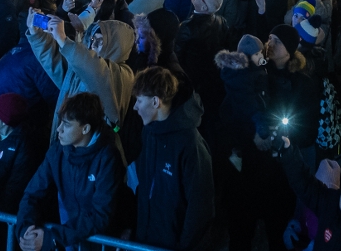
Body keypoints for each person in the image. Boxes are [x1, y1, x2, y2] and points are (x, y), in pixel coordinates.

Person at [16, 91, 125, 251]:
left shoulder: (108, 157)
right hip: (69, 239)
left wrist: (53, 238)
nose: (58, 129)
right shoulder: (57, 151)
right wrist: (25, 229)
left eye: (66, 124)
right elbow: (33, 194)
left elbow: (100, 214)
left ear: (85, 128)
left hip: (101, 243)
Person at [130, 66, 214, 251]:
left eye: (139, 100)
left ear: (155, 102)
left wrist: (183, 246)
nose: (135, 107)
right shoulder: (149, 133)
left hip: (172, 245)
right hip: (145, 242)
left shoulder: (191, 145)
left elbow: (200, 209)